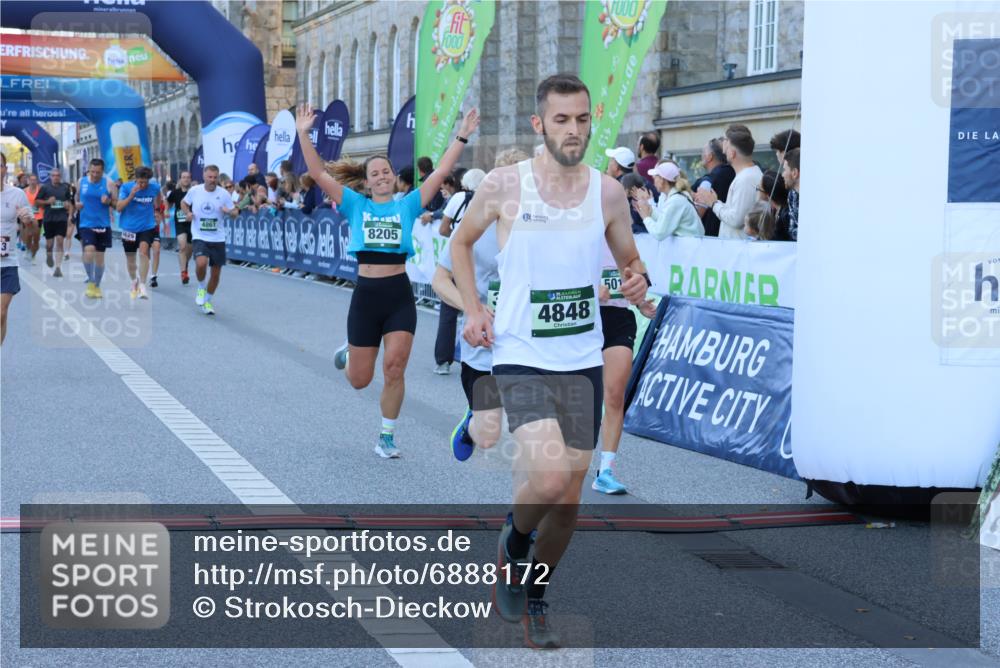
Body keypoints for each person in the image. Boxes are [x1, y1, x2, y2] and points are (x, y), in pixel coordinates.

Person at [450, 74, 651, 648]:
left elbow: (631, 262)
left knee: (567, 503)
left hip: (582, 356)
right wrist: (472, 308)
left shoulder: (607, 194)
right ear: (540, 125)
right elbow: (461, 244)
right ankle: (514, 542)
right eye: (562, 120)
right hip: (519, 354)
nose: (574, 130)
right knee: (549, 475)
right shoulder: (504, 185)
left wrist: (637, 282)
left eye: (582, 119)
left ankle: (536, 593)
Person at [298, 102, 479, 459]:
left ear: (394, 177)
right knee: (359, 380)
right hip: (366, 296)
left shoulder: (408, 204)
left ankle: (387, 436)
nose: (381, 176)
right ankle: (351, 353)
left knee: (395, 367)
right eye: (375, 173)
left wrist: (462, 135)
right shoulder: (354, 204)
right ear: (366, 181)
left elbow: (442, 170)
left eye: (386, 171)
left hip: (398, 294)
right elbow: (318, 173)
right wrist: (304, 133)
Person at [433, 168, 487, 376]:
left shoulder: (458, 199)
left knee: (449, 312)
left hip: (460, 259)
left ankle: (443, 360)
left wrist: (456, 240)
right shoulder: (492, 202)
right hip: (472, 258)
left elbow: (443, 228)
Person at [181, 165, 239, 315]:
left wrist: (229, 211)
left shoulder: (224, 193)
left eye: (215, 177)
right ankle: (201, 287)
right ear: (204, 176)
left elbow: (235, 213)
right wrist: (187, 213)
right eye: (210, 177)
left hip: (218, 238)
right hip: (200, 236)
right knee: (201, 263)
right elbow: (184, 203)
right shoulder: (195, 191)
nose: (212, 180)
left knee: (215, 273)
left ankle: (207, 300)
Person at [694, 124, 762, 240]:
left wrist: (714, 203)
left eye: (726, 150)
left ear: (732, 153)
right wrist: (716, 202)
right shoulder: (746, 175)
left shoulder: (745, 178)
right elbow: (738, 212)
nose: (724, 154)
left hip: (737, 251)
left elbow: (736, 220)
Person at [116, 166, 163, 300]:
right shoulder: (126, 188)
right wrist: (131, 195)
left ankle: (142, 284)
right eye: (140, 182)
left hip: (147, 226)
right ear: (135, 179)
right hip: (129, 228)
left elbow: (158, 197)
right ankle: (134, 281)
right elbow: (119, 208)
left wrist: (158, 211)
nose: (142, 185)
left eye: (145, 182)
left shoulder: (154, 187)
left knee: (143, 252)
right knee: (131, 261)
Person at [2, 153, 33, 344]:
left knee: (1, 312)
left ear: (5, 168)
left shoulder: (17, 195)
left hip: (7, 262)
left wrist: (28, 220)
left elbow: (31, 226)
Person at [76, 158, 116, 299]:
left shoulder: (109, 184)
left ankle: (97, 286)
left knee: (99, 258)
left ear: (102, 172)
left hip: (103, 225)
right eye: (92, 172)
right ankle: (91, 281)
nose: (94, 175)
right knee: (88, 251)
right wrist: (77, 204)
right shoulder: (82, 181)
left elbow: (117, 204)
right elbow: (76, 198)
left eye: (97, 173)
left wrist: (109, 201)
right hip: (86, 223)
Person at [633, 161, 704, 239]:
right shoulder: (676, 197)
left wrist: (645, 217)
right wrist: (648, 208)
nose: (653, 180)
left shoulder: (676, 201)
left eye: (655, 177)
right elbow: (662, 219)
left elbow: (659, 233)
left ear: (662, 180)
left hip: (690, 248)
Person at [690, 137, 735, 237]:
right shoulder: (734, 173)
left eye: (703, 152)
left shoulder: (709, 181)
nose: (701, 155)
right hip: (730, 236)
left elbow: (697, 215)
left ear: (709, 157)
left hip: (710, 238)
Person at [36, 167, 74, 277]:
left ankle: (58, 267)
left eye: (58, 175)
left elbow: (70, 202)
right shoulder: (45, 188)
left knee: (60, 241)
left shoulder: (65, 187)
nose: (56, 177)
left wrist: (70, 215)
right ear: (50, 177)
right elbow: (37, 202)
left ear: (60, 177)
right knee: (49, 244)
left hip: (61, 218)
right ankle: (49, 255)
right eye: (54, 175)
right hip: (49, 219)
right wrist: (47, 201)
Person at [167, 170, 193, 284]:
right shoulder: (175, 192)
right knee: (182, 246)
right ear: (180, 179)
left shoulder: (194, 192)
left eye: (188, 177)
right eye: (183, 177)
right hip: (180, 223)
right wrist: (166, 211)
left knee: (190, 249)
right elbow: (167, 202)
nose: (186, 179)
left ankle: (185, 265)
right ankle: (183, 273)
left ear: (190, 179)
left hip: (193, 224)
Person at [758, 169, 792, 241]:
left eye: (759, 188)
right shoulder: (774, 210)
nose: (757, 190)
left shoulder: (786, 215)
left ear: (767, 193)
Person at [21, 173, 42, 264]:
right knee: (29, 235)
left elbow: (44, 200)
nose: (33, 182)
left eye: (35, 180)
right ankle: (28, 249)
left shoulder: (40, 190)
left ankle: (33, 256)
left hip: (39, 216)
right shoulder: (24, 191)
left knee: (36, 238)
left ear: (37, 181)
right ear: (28, 181)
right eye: (31, 180)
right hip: (28, 216)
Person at [781, 147, 800, 240]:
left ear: (794, 173)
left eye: (784, 169)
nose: (782, 174)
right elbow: (792, 230)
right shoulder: (792, 194)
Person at [64, 179, 77, 260]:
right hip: (61, 217)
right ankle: (63, 250)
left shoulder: (72, 197)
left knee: (68, 235)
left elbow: (74, 207)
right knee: (63, 235)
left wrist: (70, 215)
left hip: (70, 217)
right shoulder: (60, 197)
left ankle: (67, 252)